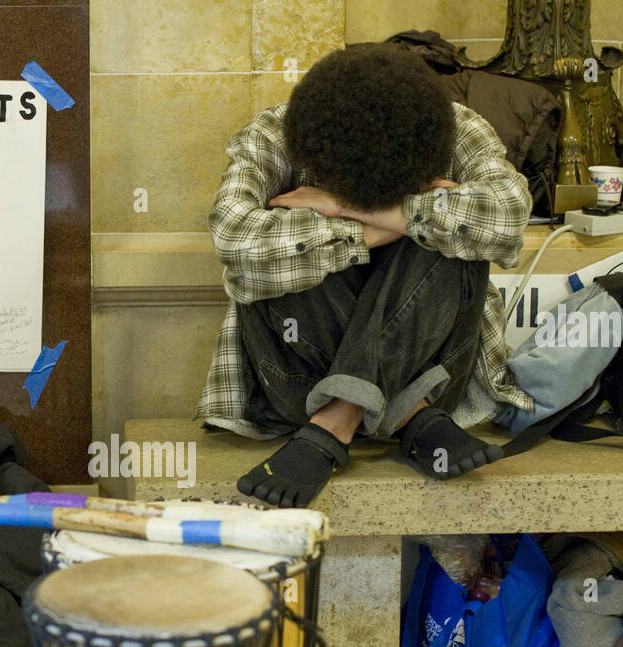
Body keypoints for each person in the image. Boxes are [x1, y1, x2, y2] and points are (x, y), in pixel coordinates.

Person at [197, 44, 536, 507]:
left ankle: (337, 419)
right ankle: (404, 411)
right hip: (299, 378)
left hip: (435, 371)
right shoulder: (274, 133)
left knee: (450, 239)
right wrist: (392, 223)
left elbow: (507, 216)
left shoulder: (455, 127)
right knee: (298, 254)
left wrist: (341, 209)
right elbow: (235, 239)